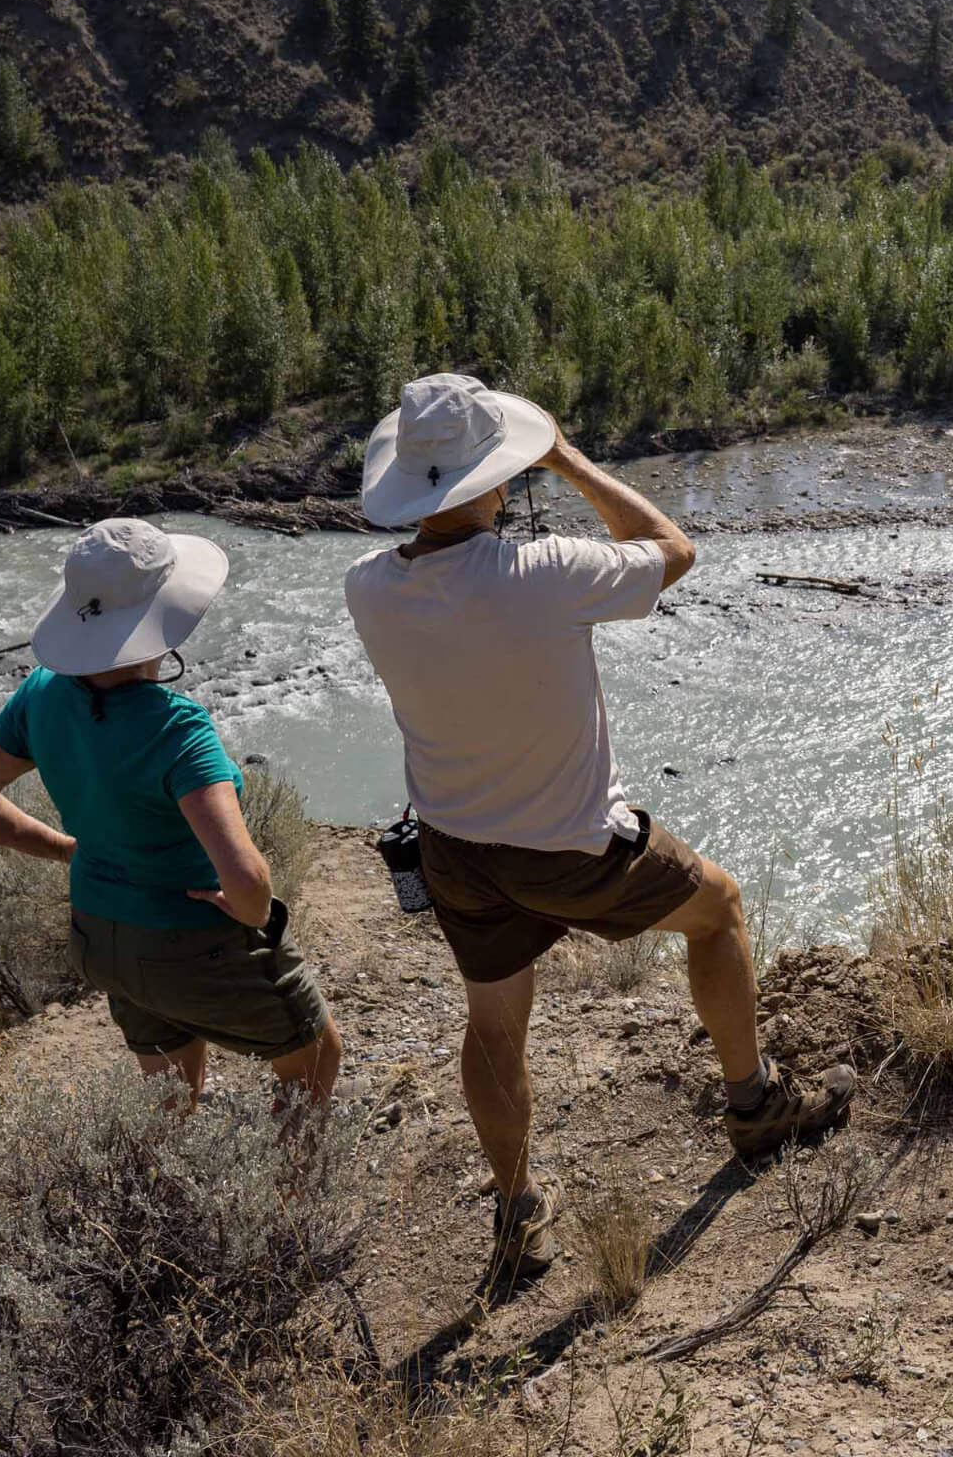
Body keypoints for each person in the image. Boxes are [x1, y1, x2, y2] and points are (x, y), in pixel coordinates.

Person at [344, 373, 853, 1292]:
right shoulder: (543, 574)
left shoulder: (368, 588)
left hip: (455, 848)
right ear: (495, 475)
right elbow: (671, 547)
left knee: (495, 1024)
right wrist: (569, 458)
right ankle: (754, 1105)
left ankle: (515, 1213)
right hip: (572, 847)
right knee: (718, 907)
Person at [0, 518, 342, 1112]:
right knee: (315, 1052)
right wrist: (252, 912)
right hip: (189, 942)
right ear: (166, 613)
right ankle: (288, 1202)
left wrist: (65, 849)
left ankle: (164, 1195)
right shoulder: (178, 729)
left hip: (100, 937)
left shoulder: (42, 692)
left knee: (170, 1092)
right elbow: (249, 880)